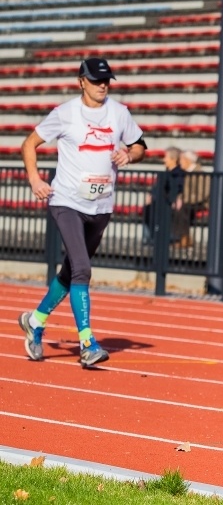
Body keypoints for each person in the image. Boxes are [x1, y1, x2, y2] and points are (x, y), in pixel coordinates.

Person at [18, 57, 147, 367]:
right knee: (83, 269)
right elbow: (28, 144)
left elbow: (141, 145)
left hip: (101, 205)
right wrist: (35, 179)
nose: (102, 85)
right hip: (66, 202)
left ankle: (35, 321)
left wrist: (129, 153)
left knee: (71, 271)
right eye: (96, 81)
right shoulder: (64, 114)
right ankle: (87, 343)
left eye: (106, 81)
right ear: (81, 82)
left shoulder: (119, 113)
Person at [142, 146, 185, 245]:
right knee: (148, 208)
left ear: (173, 159)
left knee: (153, 209)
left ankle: (155, 237)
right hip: (160, 200)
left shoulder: (178, 174)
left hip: (167, 201)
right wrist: (151, 195)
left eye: (166, 157)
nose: (164, 160)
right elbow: (157, 188)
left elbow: (176, 189)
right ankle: (150, 237)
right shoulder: (167, 172)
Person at [174, 149, 210, 248]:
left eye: (181, 159)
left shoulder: (200, 173)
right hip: (190, 201)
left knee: (184, 208)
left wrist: (184, 200)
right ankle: (177, 236)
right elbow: (183, 191)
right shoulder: (186, 173)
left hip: (201, 202)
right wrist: (178, 199)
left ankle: (185, 238)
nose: (179, 162)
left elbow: (203, 193)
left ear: (187, 160)